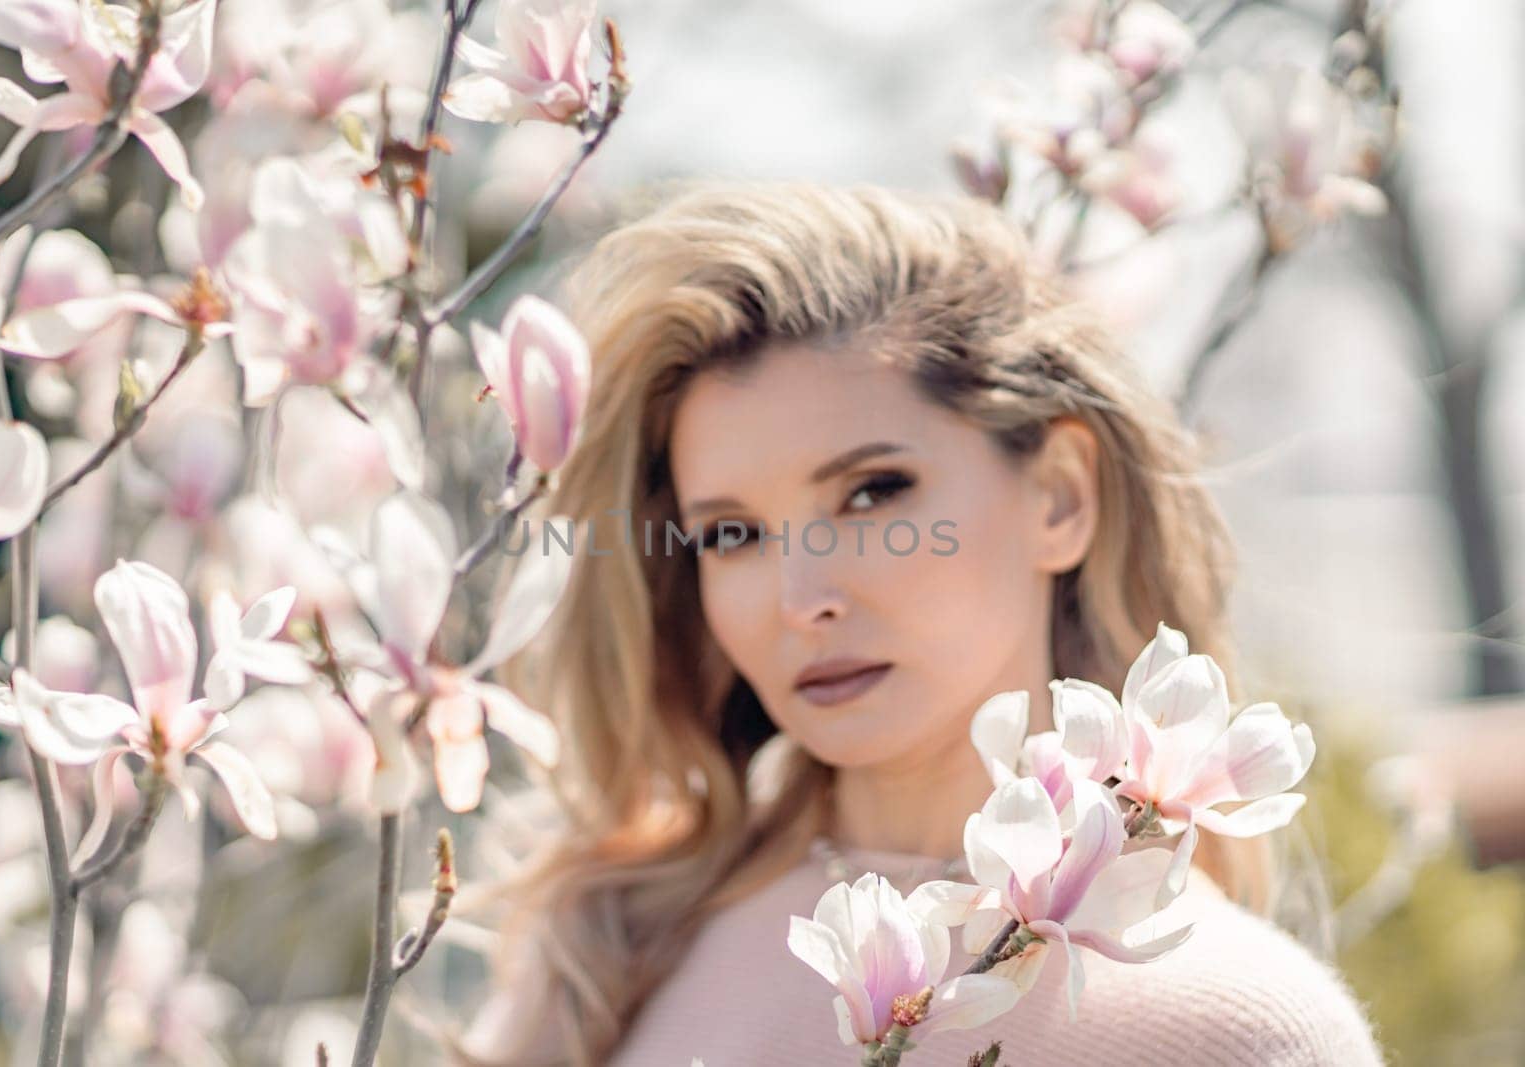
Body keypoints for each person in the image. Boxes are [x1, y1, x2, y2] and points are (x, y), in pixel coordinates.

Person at [447, 181, 1384, 1065]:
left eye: (872, 492)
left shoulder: (1233, 1027)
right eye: (732, 533)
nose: (799, 594)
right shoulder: (616, 949)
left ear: (1059, 496)